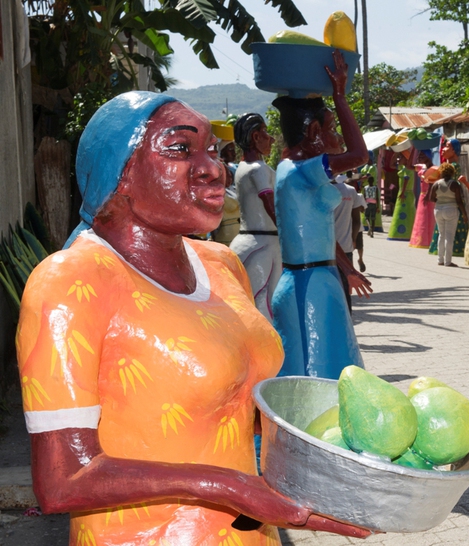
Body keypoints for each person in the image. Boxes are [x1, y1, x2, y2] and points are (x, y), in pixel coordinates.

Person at [16, 91, 369, 546]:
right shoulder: (71, 281)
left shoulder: (221, 264)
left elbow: (249, 406)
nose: (212, 167)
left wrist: (351, 454)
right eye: (181, 149)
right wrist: (229, 487)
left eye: (208, 150)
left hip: (251, 534)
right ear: (120, 174)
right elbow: (65, 479)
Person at [271, 50, 372, 379]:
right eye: (331, 127)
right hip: (311, 286)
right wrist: (340, 97)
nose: (338, 136)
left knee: (316, 366)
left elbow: (320, 236)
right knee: (321, 371)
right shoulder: (304, 170)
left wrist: (348, 270)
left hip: (314, 279)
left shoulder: (290, 169)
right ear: (314, 131)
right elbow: (359, 155)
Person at [229, 112, 281, 322]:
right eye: (266, 133)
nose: (272, 138)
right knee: (265, 308)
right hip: (263, 244)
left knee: (252, 305)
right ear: (255, 137)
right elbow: (270, 204)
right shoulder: (258, 169)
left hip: (249, 241)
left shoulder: (242, 168)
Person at [429, 138, 469, 258]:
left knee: (446, 233)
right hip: (450, 205)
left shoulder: (454, 166)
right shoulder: (447, 167)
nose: (443, 149)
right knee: (447, 233)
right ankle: (446, 258)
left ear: (455, 150)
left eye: (447, 146)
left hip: (448, 204)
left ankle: (444, 256)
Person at [331, 172, 367, 310]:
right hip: (346, 248)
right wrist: (352, 239)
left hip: (324, 249)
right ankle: (347, 323)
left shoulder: (321, 190)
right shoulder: (351, 191)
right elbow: (357, 220)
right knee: (345, 289)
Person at [429, 163, 468, 267]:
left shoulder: (436, 184)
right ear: (452, 172)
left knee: (441, 235)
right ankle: (448, 261)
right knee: (449, 236)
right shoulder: (454, 184)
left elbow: (431, 198)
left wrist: (440, 199)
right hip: (451, 209)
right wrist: (464, 214)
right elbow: (459, 201)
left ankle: (440, 260)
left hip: (438, 210)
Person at [409, 151, 439, 249]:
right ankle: (420, 240)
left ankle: (428, 240)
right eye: (419, 155)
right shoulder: (422, 167)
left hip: (429, 196)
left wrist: (428, 194)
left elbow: (431, 183)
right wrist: (413, 150)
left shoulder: (433, 169)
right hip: (423, 195)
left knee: (428, 218)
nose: (419, 157)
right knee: (421, 219)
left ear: (428, 157)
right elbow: (409, 166)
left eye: (422, 155)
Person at [387, 152, 416, 241]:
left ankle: (406, 234)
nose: (399, 159)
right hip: (403, 193)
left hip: (406, 193)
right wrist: (395, 154)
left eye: (401, 158)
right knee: (401, 212)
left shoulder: (409, 169)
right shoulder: (402, 168)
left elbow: (406, 180)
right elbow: (391, 165)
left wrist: (402, 192)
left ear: (406, 159)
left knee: (406, 213)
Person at [363, 174, 380, 238]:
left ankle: (369, 227)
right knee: (373, 219)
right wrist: (378, 206)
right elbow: (377, 197)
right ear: (373, 181)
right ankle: (372, 232)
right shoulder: (375, 187)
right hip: (374, 204)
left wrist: (364, 205)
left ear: (368, 181)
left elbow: (364, 197)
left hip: (367, 203)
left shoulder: (365, 188)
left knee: (367, 217)